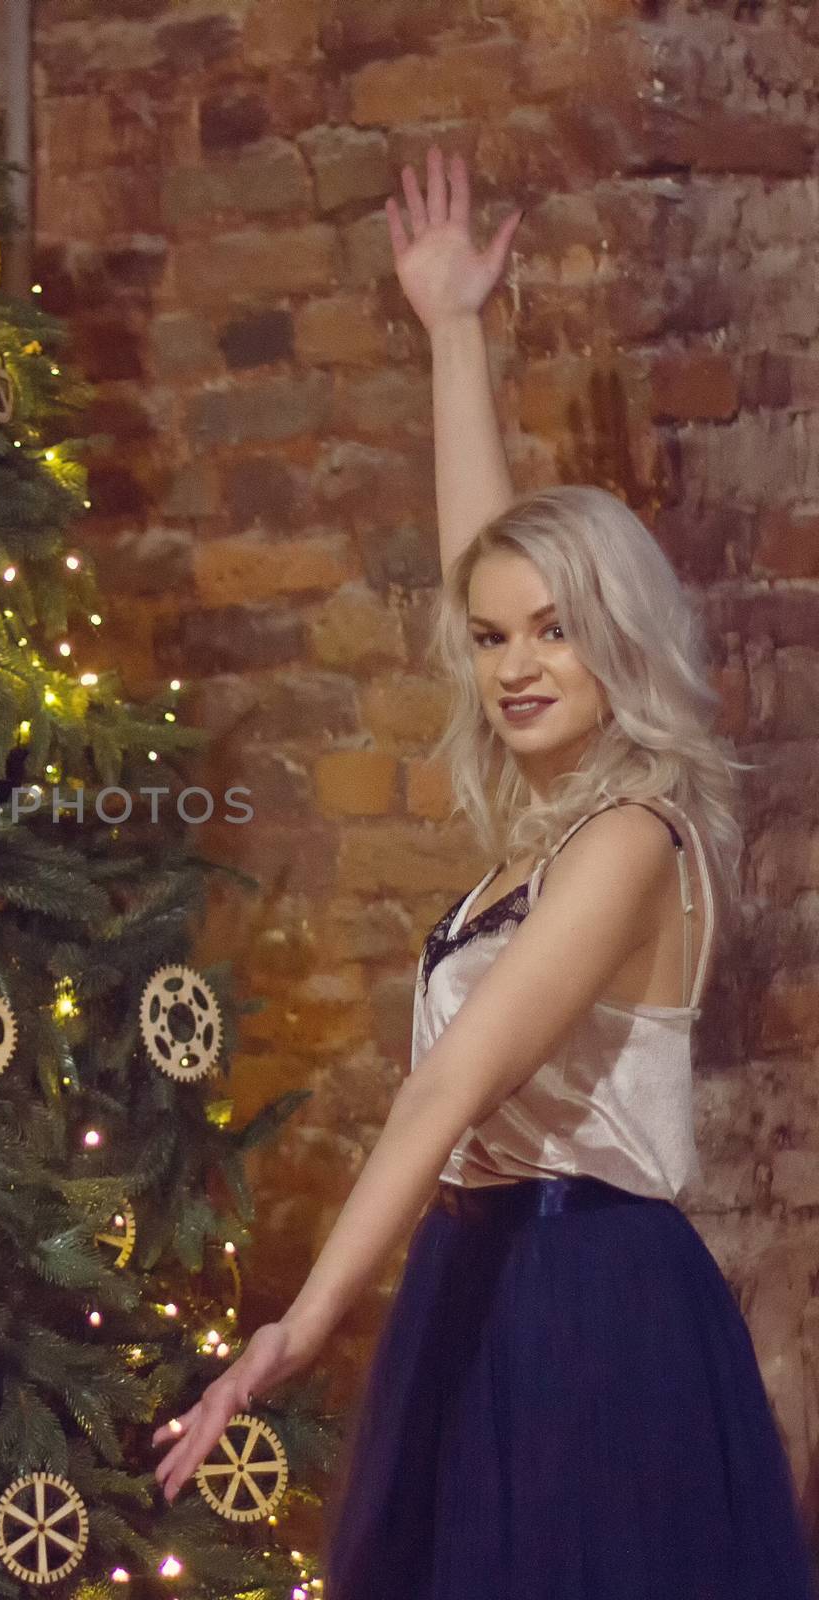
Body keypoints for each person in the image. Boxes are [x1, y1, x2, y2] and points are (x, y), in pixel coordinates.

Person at [150, 146, 817, 1598]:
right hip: (483, 1281)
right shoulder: (543, 827)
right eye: (499, 637)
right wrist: (451, 329)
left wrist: (303, 1325)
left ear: (621, 646)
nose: (514, 664)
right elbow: (485, 570)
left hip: (589, 1308)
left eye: (555, 634)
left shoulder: (634, 843)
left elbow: (451, 1091)